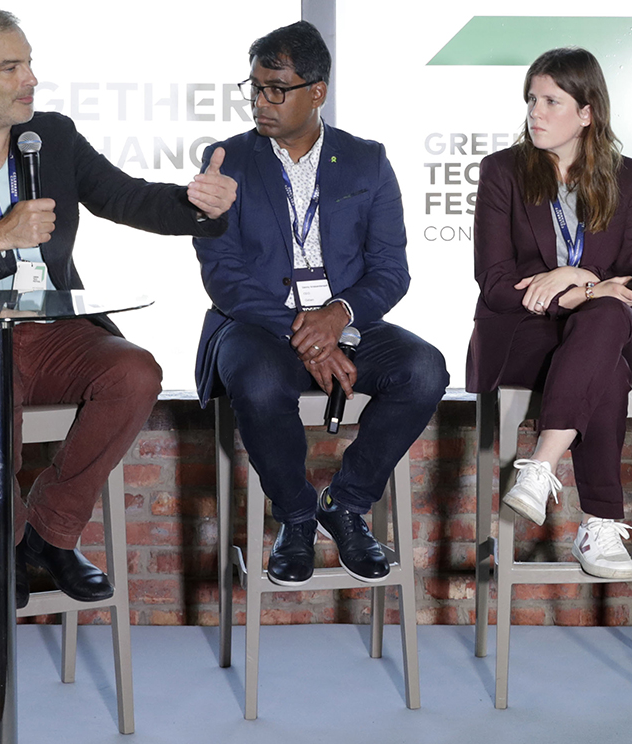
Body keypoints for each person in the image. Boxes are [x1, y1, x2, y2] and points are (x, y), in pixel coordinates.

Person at [0, 5, 237, 607]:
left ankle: (49, 531)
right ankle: (5, 546)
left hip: (51, 329)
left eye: (30, 63)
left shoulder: (53, 137)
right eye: (11, 67)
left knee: (134, 370)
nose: (31, 79)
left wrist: (200, 205)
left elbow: (130, 198)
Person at [193, 21, 447, 587]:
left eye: (277, 88)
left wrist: (337, 317)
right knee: (256, 382)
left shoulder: (367, 161)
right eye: (255, 87)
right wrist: (301, 331)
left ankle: (347, 502)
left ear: (317, 91)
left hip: (348, 322)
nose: (262, 101)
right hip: (258, 323)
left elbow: (390, 270)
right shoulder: (225, 161)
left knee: (424, 368)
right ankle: (298, 516)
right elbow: (224, 277)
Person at [466, 47, 632, 579]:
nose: (535, 112)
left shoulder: (625, 177)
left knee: (609, 316)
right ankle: (600, 523)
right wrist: (573, 294)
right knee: (607, 356)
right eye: (531, 99)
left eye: (551, 100)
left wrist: (579, 281)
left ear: (587, 112)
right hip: (527, 339)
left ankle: (541, 466)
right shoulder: (503, 171)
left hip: (605, 327)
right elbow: (496, 283)